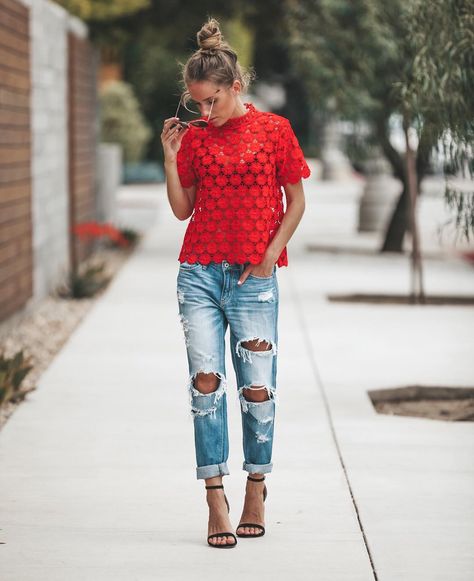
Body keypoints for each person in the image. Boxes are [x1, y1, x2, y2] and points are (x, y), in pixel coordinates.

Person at [161, 17, 310, 548]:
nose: (205, 113)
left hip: (253, 278)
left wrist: (271, 255)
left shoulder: (275, 132)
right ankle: (215, 497)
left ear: (236, 88)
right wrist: (170, 155)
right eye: (197, 104)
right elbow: (182, 211)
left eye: (214, 101)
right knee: (206, 386)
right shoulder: (197, 140)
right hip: (199, 273)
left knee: (257, 389)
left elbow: (296, 200)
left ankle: (256, 485)